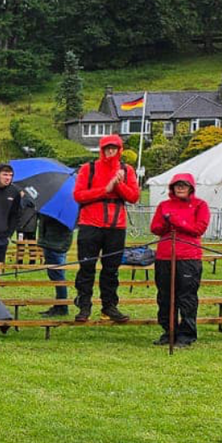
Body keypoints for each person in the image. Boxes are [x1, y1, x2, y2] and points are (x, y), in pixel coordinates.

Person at [71, 135, 138, 324]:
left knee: (111, 269)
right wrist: (106, 189)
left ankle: (109, 305)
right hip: (90, 224)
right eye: (107, 148)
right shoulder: (88, 169)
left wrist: (119, 185)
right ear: (101, 149)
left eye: (114, 148)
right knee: (87, 267)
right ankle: (84, 305)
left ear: (119, 150)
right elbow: (78, 195)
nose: (110, 151)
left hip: (116, 226)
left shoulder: (127, 170)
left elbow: (133, 196)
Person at [150, 174, 210, 346]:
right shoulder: (164, 205)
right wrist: (166, 224)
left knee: (187, 297)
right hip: (165, 256)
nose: (180, 188)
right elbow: (155, 227)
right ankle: (169, 331)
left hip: (188, 257)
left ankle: (186, 334)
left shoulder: (200, 205)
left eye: (184, 185)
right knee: (165, 297)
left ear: (191, 187)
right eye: (177, 185)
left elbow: (198, 229)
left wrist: (176, 221)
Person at [37, 212, 75, 318]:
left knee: (58, 277)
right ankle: (60, 305)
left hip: (54, 245)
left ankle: (62, 307)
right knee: (57, 277)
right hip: (55, 244)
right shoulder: (66, 211)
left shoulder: (56, 213)